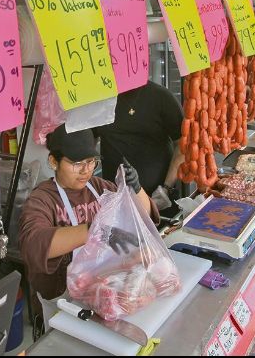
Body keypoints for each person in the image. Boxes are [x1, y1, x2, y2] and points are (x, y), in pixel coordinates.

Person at [18, 124, 159, 335]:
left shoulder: (99, 187)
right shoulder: (42, 200)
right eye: (76, 163)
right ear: (53, 161)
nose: (86, 170)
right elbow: (32, 243)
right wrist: (94, 230)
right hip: (64, 306)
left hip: (104, 295)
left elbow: (143, 218)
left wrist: (137, 190)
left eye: (91, 162)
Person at [93, 81, 185, 213]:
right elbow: (89, 139)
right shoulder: (99, 98)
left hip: (157, 198)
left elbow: (183, 145)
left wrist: (166, 188)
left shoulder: (160, 96)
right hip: (114, 197)